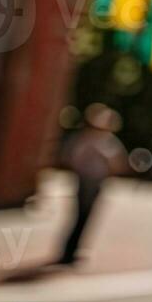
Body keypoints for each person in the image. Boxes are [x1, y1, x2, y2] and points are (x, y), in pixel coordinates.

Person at [57, 103, 127, 267]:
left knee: (81, 217)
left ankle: (71, 251)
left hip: (86, 179)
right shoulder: (102, 140)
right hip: (91, 181)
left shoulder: (83, 137)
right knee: (83, 217)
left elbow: (69, 157)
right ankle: (70, 252)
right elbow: (116, 162)